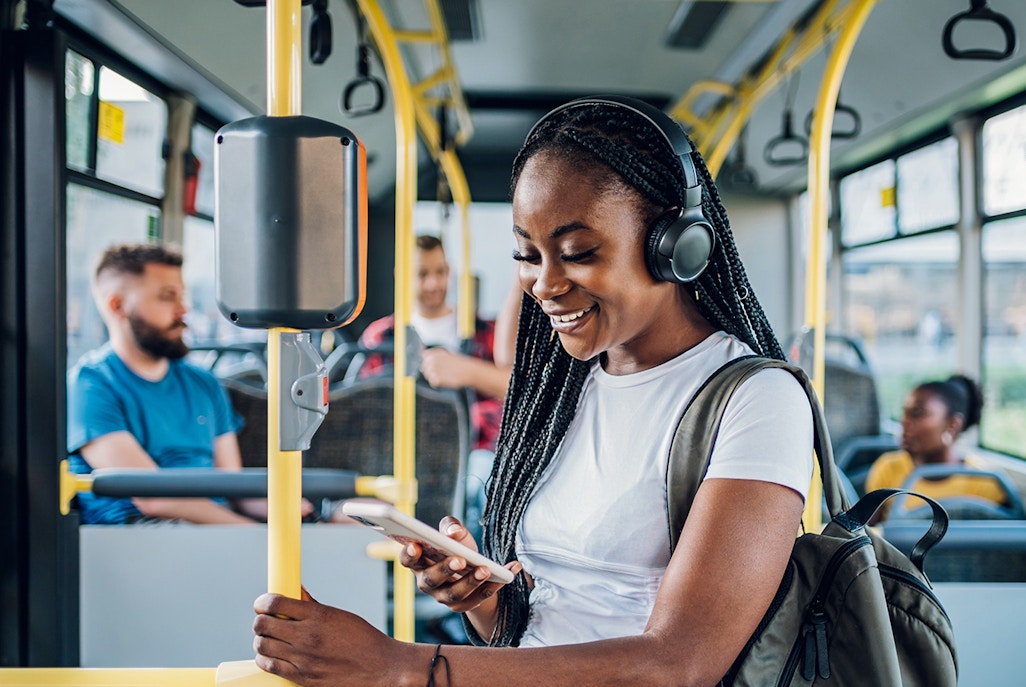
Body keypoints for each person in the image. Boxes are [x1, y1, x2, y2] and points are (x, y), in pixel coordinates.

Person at [252, 96, 815, 685]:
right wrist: (484, 601)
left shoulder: (758, 400)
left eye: (577, 254)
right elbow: (545, 627)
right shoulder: (563, 387)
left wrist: (400, 667)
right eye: (526, 255)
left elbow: (678, 664)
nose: (542, 284)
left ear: (674, 246)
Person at [67, 243, 306, 525]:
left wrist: (306, 513)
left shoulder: (203, 382)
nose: (183, 309)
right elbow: (153, 498)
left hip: (217, 528)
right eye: (167, 297)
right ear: (117, 306)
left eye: (182, 295)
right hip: (139, 531)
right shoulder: (90, 385)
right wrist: (252, 535)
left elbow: (235, 487)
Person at [359, 234, 511, 451]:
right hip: (399, 448)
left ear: (449, 271)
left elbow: (517, 386)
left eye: (440, 272)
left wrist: (466, 371)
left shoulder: (483, 330)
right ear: (401, 275)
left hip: (474, 446)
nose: (433, 283)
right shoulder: (381, 336)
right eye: (422, 274)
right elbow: (363, 402)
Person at [865, 374, 1007, 523]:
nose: (905, 421)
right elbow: (866, 532)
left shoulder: (984, 481)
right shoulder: (888, 468)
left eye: (917, 413)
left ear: (952, 425)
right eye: (905, 413)